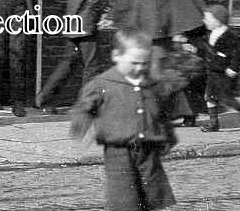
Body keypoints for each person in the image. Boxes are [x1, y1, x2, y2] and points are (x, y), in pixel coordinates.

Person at [70, 29, 185, 211]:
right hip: (118, 150)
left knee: (151, 193)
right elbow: (84, 107)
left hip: (148, 149)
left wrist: (168, 136)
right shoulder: (102, 84)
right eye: (134, 63)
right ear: (117, 56)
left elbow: (161, 113)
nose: (139, 68)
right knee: (124, 195)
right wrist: (81, 125)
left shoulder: (153, 85)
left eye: (144, 63)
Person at [106, 0, 206, 123]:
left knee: (157, 72)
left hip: (160, 30)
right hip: (141, 30)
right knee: (154, 72)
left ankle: (168, 114)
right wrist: (113, 16)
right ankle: (182, 113)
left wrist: (177, 29)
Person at [35, 0, 105, 112]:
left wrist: (70, 7)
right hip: (86, 25)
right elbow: (95, 0)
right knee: (91, 65)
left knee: (67, 63)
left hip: (70, 23)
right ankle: (86, 106)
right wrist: (95, 17)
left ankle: (44, 99)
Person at [199, 4, 240, 132]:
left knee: (226, 99)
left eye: (207, 19)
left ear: (217, 21)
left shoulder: (230, 36)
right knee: (209, 97)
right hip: (213, 72)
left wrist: (233, 68)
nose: (204, 21)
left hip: (225, 74)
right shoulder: (210, 34)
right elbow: (207, 50)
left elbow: (238, 54)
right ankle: (214, 124)